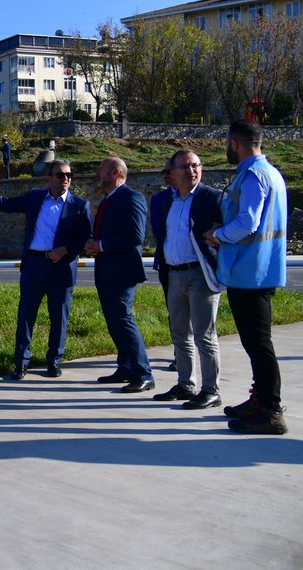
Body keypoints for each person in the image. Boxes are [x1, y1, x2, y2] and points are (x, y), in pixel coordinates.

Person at [0, 159, 91, 379]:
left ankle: (54, 361)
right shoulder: (35, 197)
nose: (66, 179)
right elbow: (7, 204)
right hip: (35, 264)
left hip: (61, 266)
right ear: (48, 178)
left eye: (69, 175)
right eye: (60, 175)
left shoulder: (80, 205)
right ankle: (21, 362)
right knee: (26, 315)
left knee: (59, 317)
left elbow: (86, 238)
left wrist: (66, 249)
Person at [204, 120, 289, 435]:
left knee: (259, 344)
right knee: (257, 343)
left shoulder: (252, 176)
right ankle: (261, 399)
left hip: (249, 272)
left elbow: (247, 223)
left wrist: (218, 235)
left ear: (234, 142)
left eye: (226, 142)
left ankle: (270, 410)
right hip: (259, 269)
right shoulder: (271, 173)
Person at [150, 150, 225, 409]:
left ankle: (210, 390)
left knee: (204, 335)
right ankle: (185, 384)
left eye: (196, 166)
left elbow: (233, 226)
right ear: (173, 173)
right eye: (185, 167)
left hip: (200, 274)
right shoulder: (170, 201)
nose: (191, 171)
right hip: (174, 274)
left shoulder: (212, 197)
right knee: (180, 333)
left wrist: (219, 233)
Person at [85, 157, 154, 392]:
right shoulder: (108, 200)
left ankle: (143, 373)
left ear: (115, 173)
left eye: (101, 170)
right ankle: (125, 367)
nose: (97, 173)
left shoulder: (131, 198)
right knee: (114, 321)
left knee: (123, 319)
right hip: (106, 270)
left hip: (122, 272)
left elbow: (136, 236)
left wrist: (101, 245)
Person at [149, 159, 177, 372]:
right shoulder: (159, 200)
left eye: (169, 171)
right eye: (163, 172)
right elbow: (160, 232)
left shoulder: (204, 196)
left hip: (198, 266)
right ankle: (180, 352)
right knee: (175, 311)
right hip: (168, 264)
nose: (166, 175)